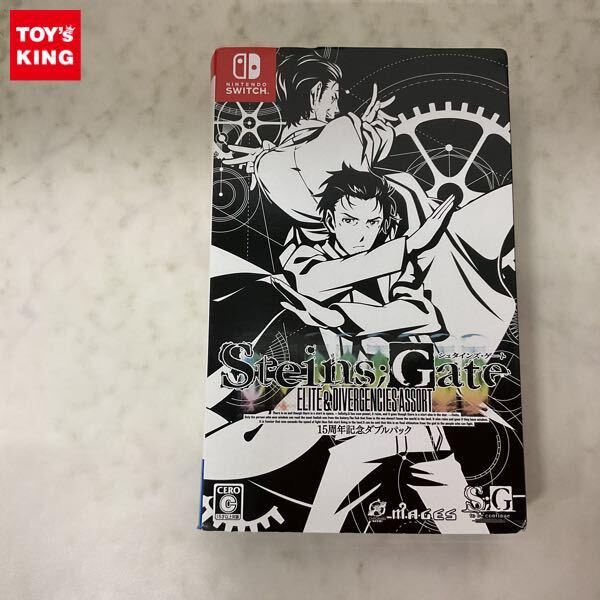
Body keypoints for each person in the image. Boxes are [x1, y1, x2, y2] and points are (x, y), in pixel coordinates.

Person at [274, 165, 455, 358]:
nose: (361, 235)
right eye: (349, 221)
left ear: (383, 223)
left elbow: (424, 315)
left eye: (372, 222)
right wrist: (409, 245)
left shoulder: (398, 264)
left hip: (401, 367)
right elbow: (312, 283)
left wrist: (339, 318)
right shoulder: (304, 257)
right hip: (332, 368)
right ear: (330, 221)